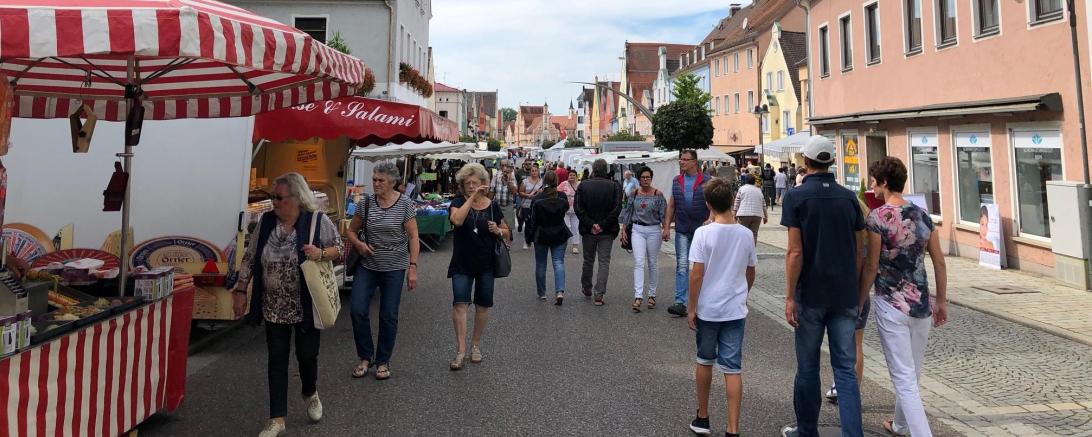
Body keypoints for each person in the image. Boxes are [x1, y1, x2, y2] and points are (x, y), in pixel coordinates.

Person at [232, 172, 343, 437]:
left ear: (296, 198)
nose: (274, 203)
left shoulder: (316, 220)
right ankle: (277, 418)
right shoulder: (267, 221)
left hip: (306, 305)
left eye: (278, 198)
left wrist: (321, 253)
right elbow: (249, 257)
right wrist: (240, 289)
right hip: (273, 306)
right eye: (272, 197)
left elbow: (339, 247)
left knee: (307, 356)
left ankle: (310, 391)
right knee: (276, 360)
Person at [780, 136, 867, 437]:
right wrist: (852, 286)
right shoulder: (849, 198)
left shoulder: (797, 197)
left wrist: (790, 295)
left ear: (806, 162)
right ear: (831, 162)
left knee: (807, 367)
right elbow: (859, 251)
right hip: (844, 295)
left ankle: (807, 431)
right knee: (845, 369)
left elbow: (794, 251)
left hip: (811, 294)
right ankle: (853, 434)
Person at [860, 157, 948, 437]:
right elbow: (939, 261)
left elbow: (872, 265)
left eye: (874, 181)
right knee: (913, 371)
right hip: (921, 304)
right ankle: (899, 425)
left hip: (891, 302)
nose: (871, 187)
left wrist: (861, 298)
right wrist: (941, 301)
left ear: (884, 183)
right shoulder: (921, 215)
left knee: (903, 376)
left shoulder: (878, 218)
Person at [686, 177, 757, 437]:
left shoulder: (703, 233)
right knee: (733, 367)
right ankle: (733, 428)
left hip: (708, 308)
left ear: (709, 205)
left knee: (705, 360)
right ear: (732, 202)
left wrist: (691, 307)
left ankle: (703, 417)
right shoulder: (746, 234)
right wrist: (743, 293)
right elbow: (751, 272)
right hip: (734, 309)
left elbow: (696, 275)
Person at [346, 162, 420, 381]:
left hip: (394, 267)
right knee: (357, 310)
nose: (376, 184)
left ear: (393, 183)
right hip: (368, 265)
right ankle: (365, 357)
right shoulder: (366, 203)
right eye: (375, 179)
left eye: (381, 180)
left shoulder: (405, 203)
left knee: (388, 315)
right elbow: (351, 231)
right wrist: (359, 245)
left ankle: (383, 361)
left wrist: (412, 267)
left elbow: (414, 236)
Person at [448, 163, 510, 371]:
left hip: (486, 263)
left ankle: (475, 345)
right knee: (460, 304)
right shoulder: (457, 202)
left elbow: (507, 232)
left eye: (475, 183)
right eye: (468, 184)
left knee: (483, 306)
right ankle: (461, 350)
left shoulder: (492, 206)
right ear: (462, 186)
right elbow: (456, 220)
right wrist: (471, 200)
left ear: (484, 183)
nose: (472, 186)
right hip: (462, 262)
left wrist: (497, 230)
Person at [826, 197, 872, 404]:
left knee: (840, 344)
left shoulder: (843, 235)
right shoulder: (869, 236)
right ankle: (854, 390)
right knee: (857, 345)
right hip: (862, 295)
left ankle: (842, 385)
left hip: (843, 294)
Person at [664, 150, 712, 317]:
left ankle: (702, 302)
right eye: (681, 159)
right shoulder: (677, 181)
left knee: (702, 266)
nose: (682, 162)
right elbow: (671, 205)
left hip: (702, 230)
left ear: (694, 162)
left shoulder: (707, 181)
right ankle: (680, 302)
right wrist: (666, 226)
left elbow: (714, 203)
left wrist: (711, 218)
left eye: (685, 160)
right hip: (682, 228)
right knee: (682, 265)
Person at [574, 158, 623, 306]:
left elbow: (578, 208)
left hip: (588, 229)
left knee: (588, 260)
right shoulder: (614, 186)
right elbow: (617, 208)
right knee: (604, 261)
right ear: (606, 170)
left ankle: (586, 286)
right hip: (607, 230)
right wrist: (602, 225)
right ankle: (599, 293)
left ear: (594, 170)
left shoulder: (583, 185)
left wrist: (591, 224)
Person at [620, 166, 668, 313]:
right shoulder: (634, 194)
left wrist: (666, 229)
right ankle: (638, 296)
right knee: (639, 262)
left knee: (652, 262)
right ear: (639, 179)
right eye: (643, 177)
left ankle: (652, 294)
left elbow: (663, 214)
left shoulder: (658, 195)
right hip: (637, 229)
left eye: (648, 177)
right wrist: (623, 229)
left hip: (653, 230)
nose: (645, 180)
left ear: (651, 178)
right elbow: (628, 212)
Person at [527, 171, 571, 305]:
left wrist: (529, 237)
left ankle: (542, 293)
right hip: (559, 232)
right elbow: (565, 210)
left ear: (543, 181)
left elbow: (532, 221)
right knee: (558, 262)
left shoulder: (537, 199)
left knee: (541, 264)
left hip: (542, 234)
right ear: (556, 181)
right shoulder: (562, 197)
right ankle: (559, 291)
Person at [733, 174, 767, 244]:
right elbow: (763, 204)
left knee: (743, 233)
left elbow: (737, 202)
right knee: (754, 234)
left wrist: (734, 214)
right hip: (757, 214)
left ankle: (743, 251)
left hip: (743, 214)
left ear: (745, 180)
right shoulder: (759, 190)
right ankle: (752, 251)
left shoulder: (742, 189)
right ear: (754, 181)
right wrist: (765, 216)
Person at [490, 162, 519, 241]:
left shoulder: (512, 176)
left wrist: (509, 181)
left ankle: (507, 247)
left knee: (508, 227)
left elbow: (514, 192)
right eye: (502, 165)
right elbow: (492, 190)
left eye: (506, 165)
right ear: (500, 167)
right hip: (497, 205)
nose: (504, 168)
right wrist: (489, 203)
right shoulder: (496, 175)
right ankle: (499, 243)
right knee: (498, 225)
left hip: (508, 205)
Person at [518, 164, 544, 250]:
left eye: (536, 171)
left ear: (538, 172)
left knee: (537, 223)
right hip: (526, 205)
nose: (534, 172)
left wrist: (540, 193)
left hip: (537, 206)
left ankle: (536, 240)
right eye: (532, 171)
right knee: (528, 223)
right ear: (530, 172)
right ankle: (527, 241)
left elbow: (544, 194)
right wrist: (528, 196)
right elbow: (520, 192)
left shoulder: (542, 182)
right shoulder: (525, 181)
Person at [557, 169, 582, 254]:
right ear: (568, 176)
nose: (572, 177)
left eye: (573, 175)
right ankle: (562, 244)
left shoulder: (580, 184)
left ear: (576, 176)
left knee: (575, 228)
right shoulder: (563, 184)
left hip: (576, 210)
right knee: (566, 227)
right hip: (565, 210)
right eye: (570, 175)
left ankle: (575, 246)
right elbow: (556, 193)